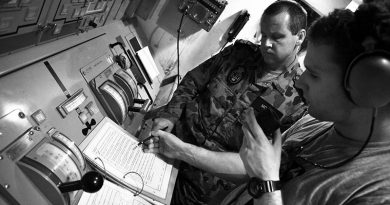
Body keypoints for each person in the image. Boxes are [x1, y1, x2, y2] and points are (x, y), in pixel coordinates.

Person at [221, 0, 390, 204]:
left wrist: (267, 185)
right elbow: (255, 173)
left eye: (315, 75)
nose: (300, 82)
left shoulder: (378, 192)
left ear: (370, 88)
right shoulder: (313, 120)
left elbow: (267, 178)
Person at [145, 1, 308, 204]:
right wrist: (170, 113)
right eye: (264, 35)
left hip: (201, 190)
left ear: (299, 37)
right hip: (167, 149)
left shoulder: (298, 100)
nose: (266, 44)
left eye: (276, 37)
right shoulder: (240, 54)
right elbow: (194, 80)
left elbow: (263, 166)